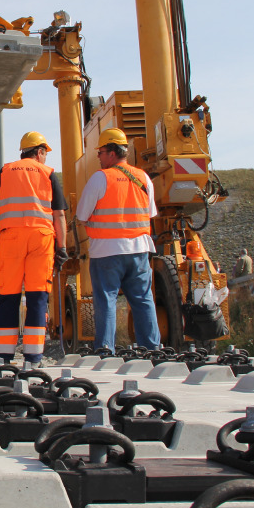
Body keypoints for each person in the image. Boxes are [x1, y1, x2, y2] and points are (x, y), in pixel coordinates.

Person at [0, 131, 68, 368]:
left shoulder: (6, 171)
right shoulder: (48, 173)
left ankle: (3, 357)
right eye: (45, 154)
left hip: (10, 239)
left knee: (8, 297)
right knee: (37, 297)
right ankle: (33, 359)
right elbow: (59, 214)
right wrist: (61, 247)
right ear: (40, 151)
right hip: (41, 240)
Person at [75, 128, 160, 353]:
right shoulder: (144, 178)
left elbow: (82, 215)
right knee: (143, 299)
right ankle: (151, 348)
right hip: (140, 250)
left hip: (107, 252)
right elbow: (150, 213)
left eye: (101, 152)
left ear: (112, 152)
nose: (99, 157)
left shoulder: (100, 178)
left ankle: (105, 348)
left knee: (106, 300)